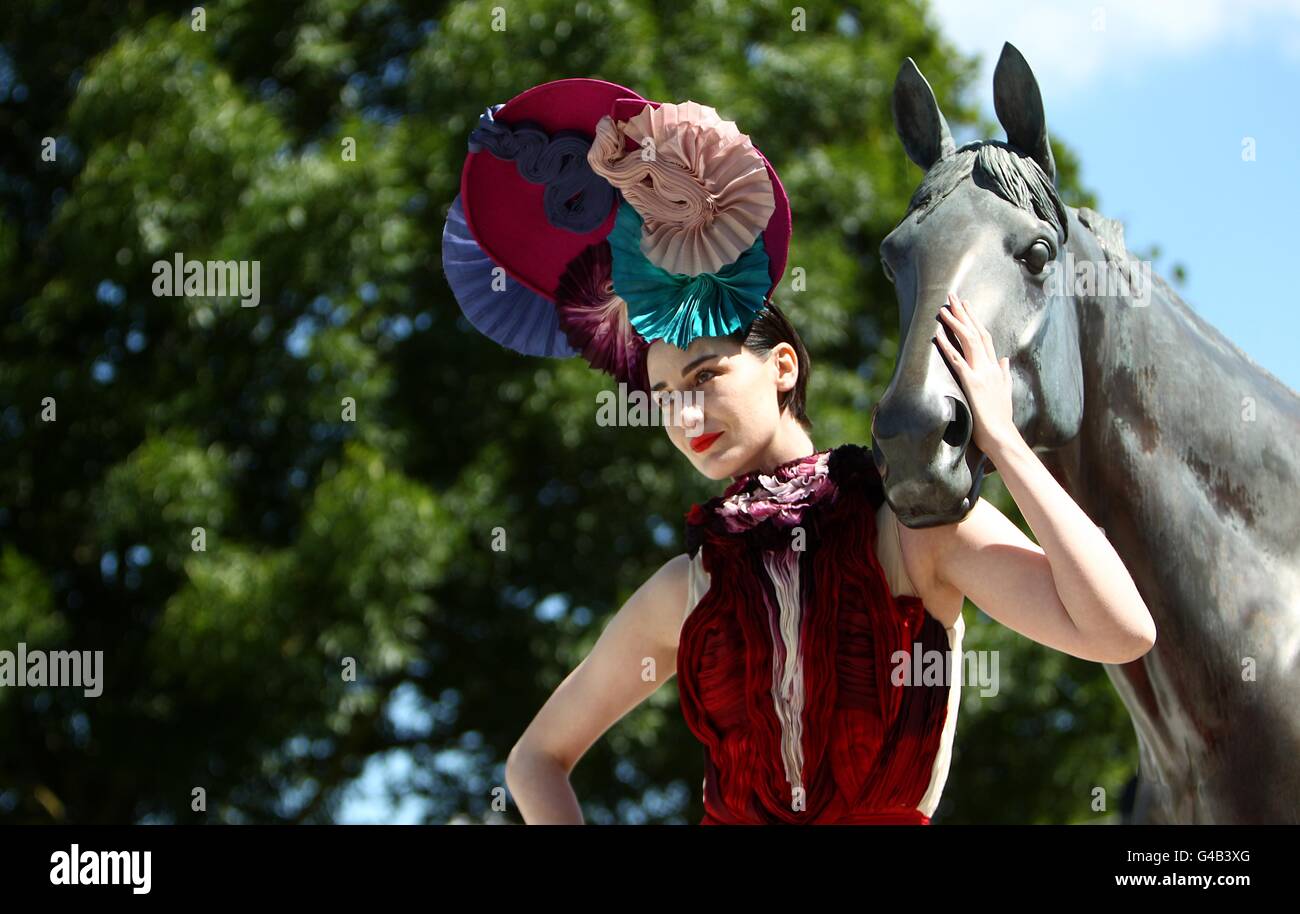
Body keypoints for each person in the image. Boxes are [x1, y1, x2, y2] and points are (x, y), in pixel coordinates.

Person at [443, 79, 1156, 825]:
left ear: (782, 366)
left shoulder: (911, 528)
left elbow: (1119, 630)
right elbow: (534, 761)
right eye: (662, 399)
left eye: (706, 375)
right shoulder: (686, 589)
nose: (686, 415)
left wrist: (1002, 440)